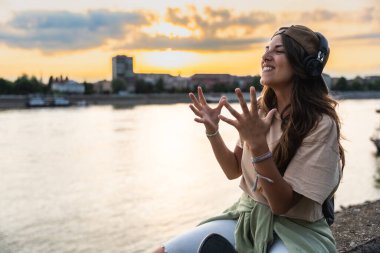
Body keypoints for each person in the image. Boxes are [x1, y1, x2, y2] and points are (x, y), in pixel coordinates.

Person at [153, 24, 345, 253]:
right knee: (162, 251)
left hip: (297, 229)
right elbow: (233, 169)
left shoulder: (321, 125)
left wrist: (257, 145)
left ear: (304, 65)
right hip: (248, 216)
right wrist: (213, 131)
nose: (266, 56)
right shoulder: (260, 113)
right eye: (266, 49)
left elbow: (281, 204)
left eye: (278, 51)